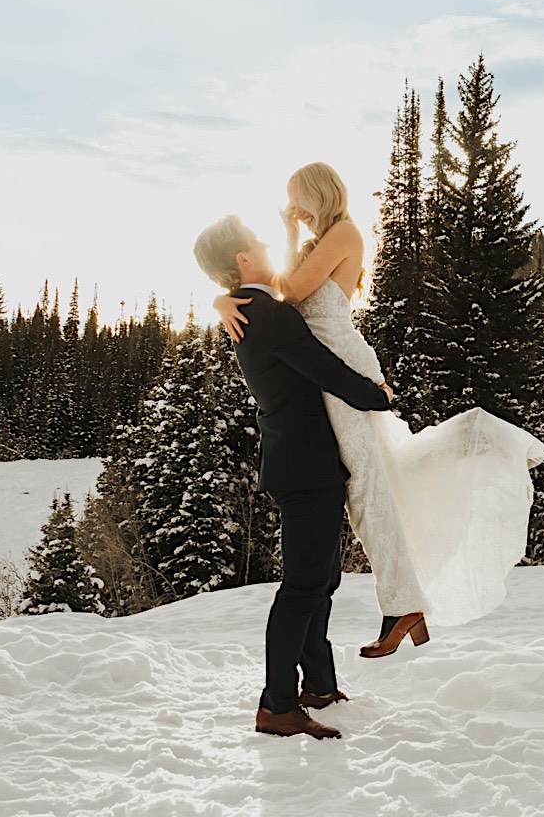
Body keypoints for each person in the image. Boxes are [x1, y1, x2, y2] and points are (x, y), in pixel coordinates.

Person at [213, 162, 544, 659]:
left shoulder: (344, 231)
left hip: (343, 365)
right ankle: (404, 603)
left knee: (368, 484)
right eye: (288, 203)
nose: (294, 210)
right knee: (375, 478)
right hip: (328, 370)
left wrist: (229, 293)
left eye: (297, 199)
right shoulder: (317, 243)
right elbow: (281, 293)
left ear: (320, 193)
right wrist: (227, 297)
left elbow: (289, 294)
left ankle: (402, 604)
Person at [192, 214, 395, 740]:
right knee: (302, 587)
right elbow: (322, 366)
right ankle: (278, 705)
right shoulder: (265, 314)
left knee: (320, 581)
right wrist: (376, 395)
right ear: (241, 259)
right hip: (304, 467)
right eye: (257, 241)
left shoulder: (250, 308)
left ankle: (318, 685)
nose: (264, 244)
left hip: (303, 463)